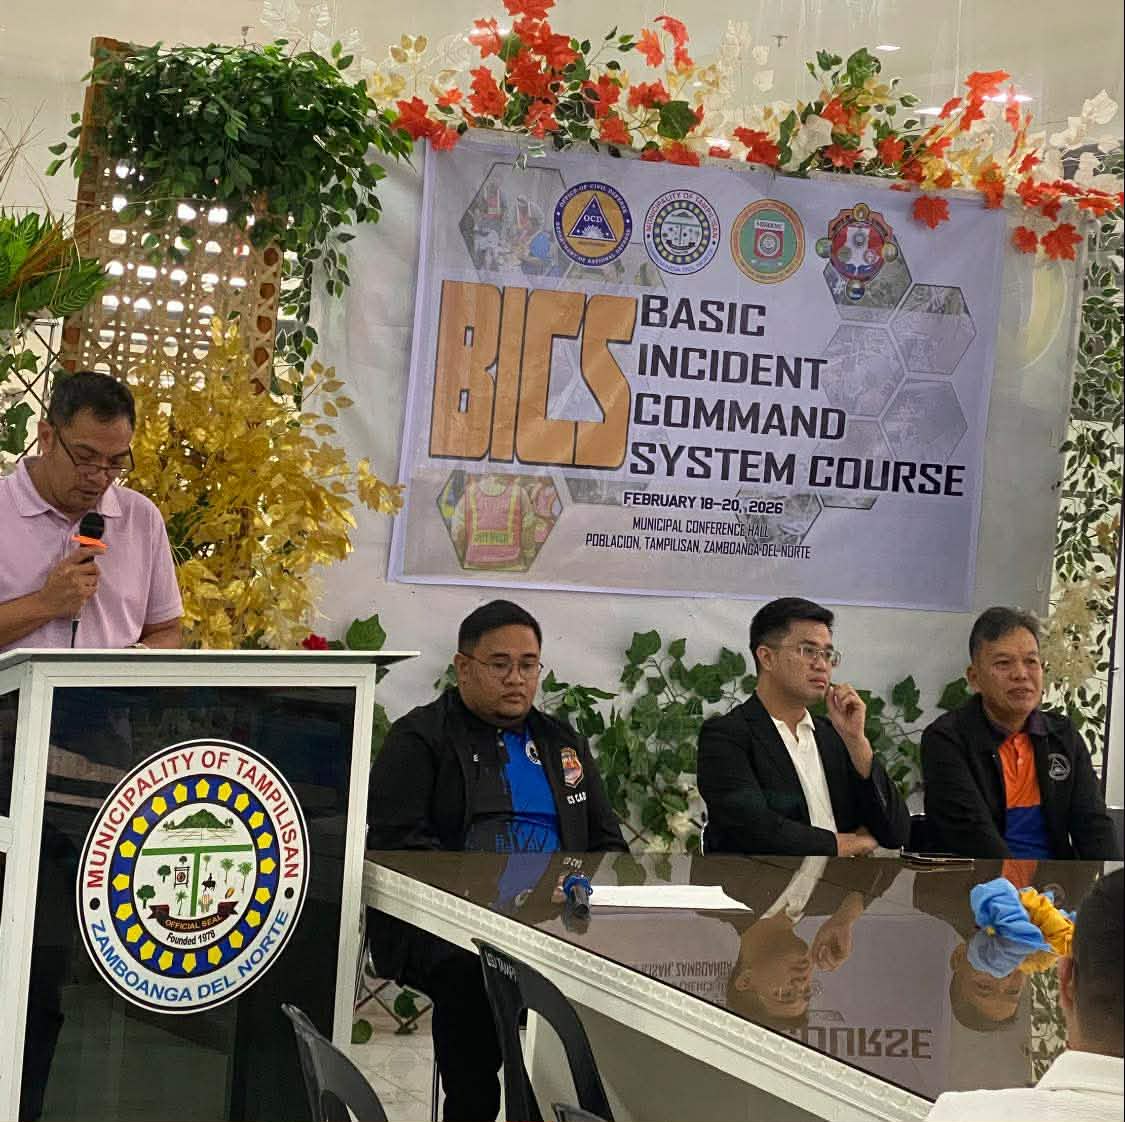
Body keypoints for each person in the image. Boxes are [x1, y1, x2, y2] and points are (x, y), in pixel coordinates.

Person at [366, 599, 627, 1121]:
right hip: (452, 924)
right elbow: (401, 847)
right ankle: (475, 1108)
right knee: (474, 975)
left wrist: (582, 887)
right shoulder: (421, 738)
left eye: (528, 665)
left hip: (558, 920)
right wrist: (488, 902)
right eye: (500, 664)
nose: (516, 678)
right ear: (463, 667)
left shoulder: (561, 742)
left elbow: (606, 842)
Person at [698, 597, 909, 856]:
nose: (821, 665)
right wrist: (845, 844)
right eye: (808, 651)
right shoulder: (726, 736)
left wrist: (857, 742)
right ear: (767, 657)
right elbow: (754, 831)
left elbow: (896, 832)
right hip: (765, 882)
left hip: (844, 882)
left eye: (828, 654)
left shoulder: (835, 736)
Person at [0, 371, 182, 651]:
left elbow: (167, 630)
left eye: (115, 463)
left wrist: (130, 663)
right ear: (46, 437)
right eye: (85, 458)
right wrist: (45, 604)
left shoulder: (141, 517)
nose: (99, 477)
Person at [921, 607, 1117, 859]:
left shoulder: (1062, 735)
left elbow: (1093, 826)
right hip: (981, 879)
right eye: (1003, 663)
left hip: (1057, 880)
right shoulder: (947, 740)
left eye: (1031, 661)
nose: (1021, 674)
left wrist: (1112, 881)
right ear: (974, 678)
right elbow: (972, 837)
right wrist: (1021, 886)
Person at [927, 868, 1123, 1120]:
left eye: (984, 987)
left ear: (1064, 979)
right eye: (1013, 991)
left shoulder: (958, 1116)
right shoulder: (1094, 912)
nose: (1004, 978)